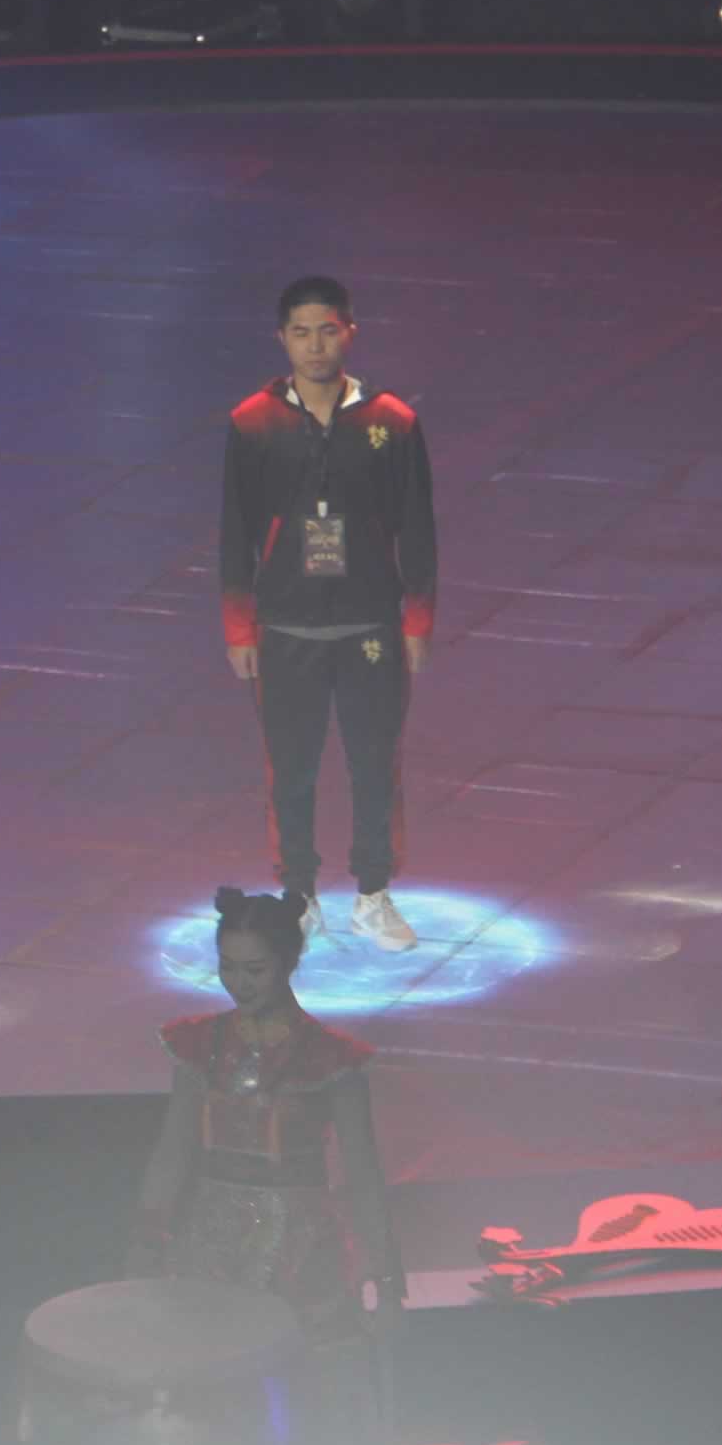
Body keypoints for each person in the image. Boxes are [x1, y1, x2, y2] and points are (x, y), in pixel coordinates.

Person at [220, 277, 436, 950]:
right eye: (301, 333)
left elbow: (418, 527)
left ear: (350, 334)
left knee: (375, 766)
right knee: (291, 771)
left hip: (371, 624)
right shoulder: (252, 423)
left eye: (328, 331)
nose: (315, 346)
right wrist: (239, 627)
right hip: (285, 628)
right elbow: (234, 530)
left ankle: (373, 895)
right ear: (282, 339)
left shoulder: (391, 422)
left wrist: (417, 620)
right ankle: (300, 897)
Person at [128, 887, 403, 1341]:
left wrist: (388, 1283)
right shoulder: (199, 1044)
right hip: (211, 1244)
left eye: (255, 970)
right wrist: (145, 1246)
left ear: (289, 961)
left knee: (299, 1369)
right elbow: (172, 1151)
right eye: (228, 967)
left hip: (300, 1249)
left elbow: (363, 1173)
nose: (240, 983)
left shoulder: (331, 1058)